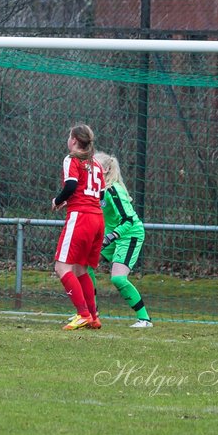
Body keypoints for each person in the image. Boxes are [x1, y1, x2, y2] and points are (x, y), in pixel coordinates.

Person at [52, 123, 105, 331]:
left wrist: (58, 200)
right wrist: (71, 201)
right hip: (97, 219)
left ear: (74, 140)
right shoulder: (97, 165)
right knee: (81, 268)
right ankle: (93, 316)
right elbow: (99, 195)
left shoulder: (72, 159)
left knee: (61, 267)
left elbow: (72, 185)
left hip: (81, 218)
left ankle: (82, 314)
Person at [95, 152, 153, 328]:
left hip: (129, 234)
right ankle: (89, 313)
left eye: (94, 166)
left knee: (118, 279)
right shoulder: (97, 190)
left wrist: (111, 237)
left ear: (104, 170)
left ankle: (144, 319)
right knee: (84, 266)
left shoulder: (114, 190)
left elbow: (128, 220)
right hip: (112, 235)